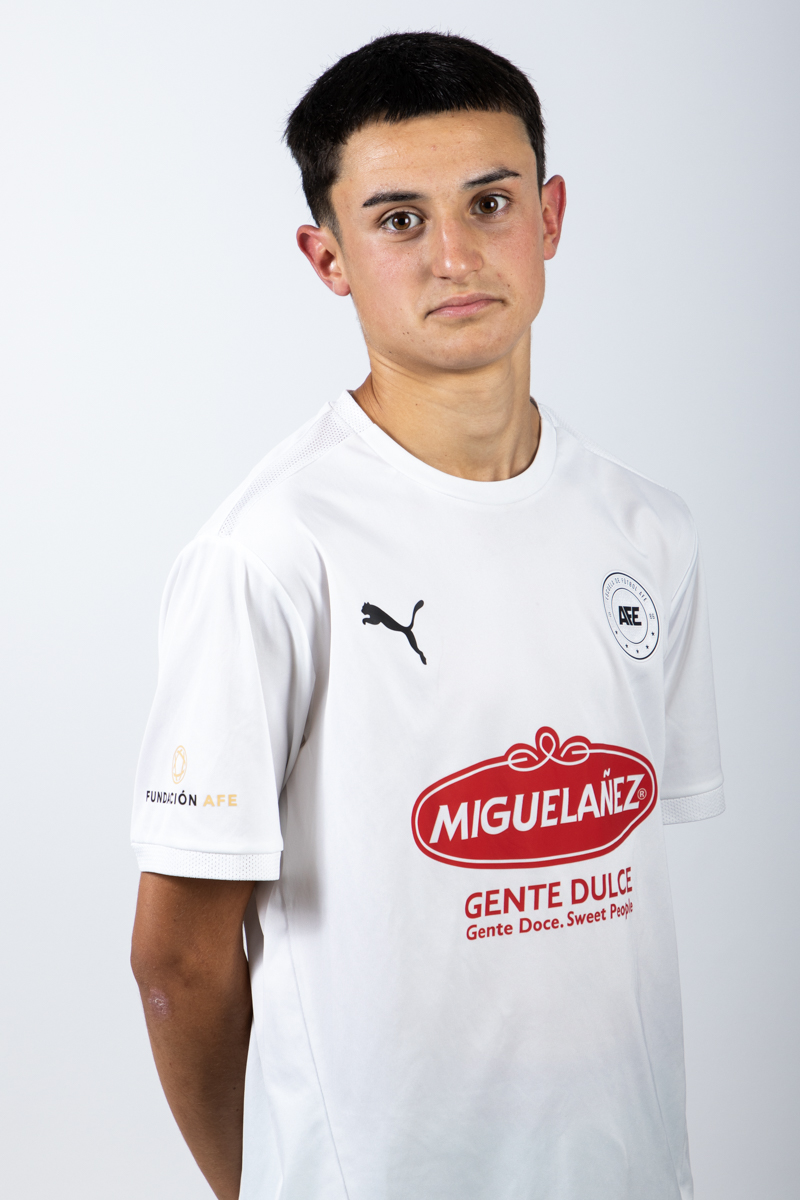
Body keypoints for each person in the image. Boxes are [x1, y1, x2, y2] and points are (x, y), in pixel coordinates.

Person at [130, 31, 724, 1200]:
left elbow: (598, 880)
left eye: (489, 203)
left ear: (549, 216)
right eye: (399, 219)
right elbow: (179, 959)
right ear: (328, 257)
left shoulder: (650, 532)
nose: (455, 256)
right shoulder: (267, 552)